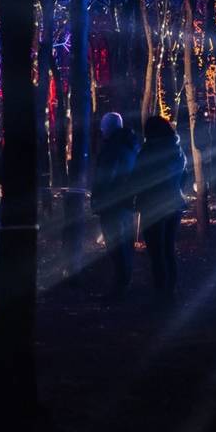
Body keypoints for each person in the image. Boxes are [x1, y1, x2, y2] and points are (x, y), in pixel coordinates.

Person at [130, 115, 187, 305]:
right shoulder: (177, 150)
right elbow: (183, 177)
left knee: (156, 251)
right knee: (169, 249)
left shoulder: (148, 151)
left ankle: (160, 292)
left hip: (153, 206)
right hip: (174, 203)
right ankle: (170, 291)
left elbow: (138, 178)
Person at [92, 111, 139, 298]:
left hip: (112, 204)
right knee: (124, 244)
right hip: (126, 202)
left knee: (115, 245)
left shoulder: (112, 148)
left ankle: (120, 286)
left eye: (103, 127)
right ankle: (124, 282)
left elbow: (106, 177)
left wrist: (99, 199)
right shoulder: (129, 146)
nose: (101, 130)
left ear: (108, 128)